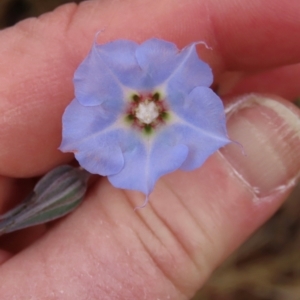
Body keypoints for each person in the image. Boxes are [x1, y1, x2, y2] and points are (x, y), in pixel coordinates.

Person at [0, 0, 299, 298]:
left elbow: (183, 72)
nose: (145, 111)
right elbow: (125, 157)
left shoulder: (172, 91)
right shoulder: (109, 108)